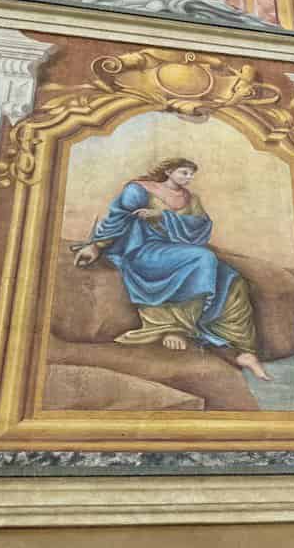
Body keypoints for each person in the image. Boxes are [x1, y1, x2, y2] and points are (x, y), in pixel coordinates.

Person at [74, 157, 272, 380]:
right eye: (184, 173)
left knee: (231, 279)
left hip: (177, 251)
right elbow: (118, 217)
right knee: (203, 259)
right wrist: (96, 246)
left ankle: (244, 350)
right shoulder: (140, 190)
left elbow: (201, 225)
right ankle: (175, 327)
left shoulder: (190, 198)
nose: (189, 178)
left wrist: (164, 216)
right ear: (168, 171)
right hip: (143, 251)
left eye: (191, 174)